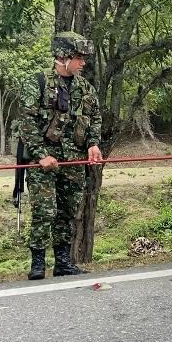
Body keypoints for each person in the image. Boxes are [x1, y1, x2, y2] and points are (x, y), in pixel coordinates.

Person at [19, 31, 102, 280]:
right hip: (43, 160)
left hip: (73, 159)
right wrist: (40, 154)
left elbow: (95, 118)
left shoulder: (85, 88)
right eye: (79, 57)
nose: (83, 63)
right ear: (63, 56)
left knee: (67, 211)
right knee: (45, 211)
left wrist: (93, 144)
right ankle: (37, 263)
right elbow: (26, 122)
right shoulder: (37, 82)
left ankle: (63, 262)